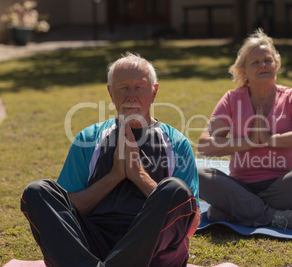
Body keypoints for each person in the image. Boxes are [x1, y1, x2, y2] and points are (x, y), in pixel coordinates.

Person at [20, 52, 200, 267]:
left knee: (175, 189)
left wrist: (139, 175)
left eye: (139, 87)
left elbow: (190, 223)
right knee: (38, 191)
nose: (131, 95)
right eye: (123, 87)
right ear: (110, 92)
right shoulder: (88, 139)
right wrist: (113, 176)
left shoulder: (176, 143)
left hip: (152, 249)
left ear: (154, 91)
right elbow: (67, 211)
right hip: (93, 244)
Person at [197, 29, 292, 230]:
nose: (263, 65)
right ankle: (274, 217)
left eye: (267, 60)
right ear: (243, 71)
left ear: (276, 64)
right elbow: (205, 144)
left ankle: (235, 211)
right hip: (241, 185)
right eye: (255, 62)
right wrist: (249, 142)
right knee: (199, 176)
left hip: (285, 184)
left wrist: (270, 139)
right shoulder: (232, 99)